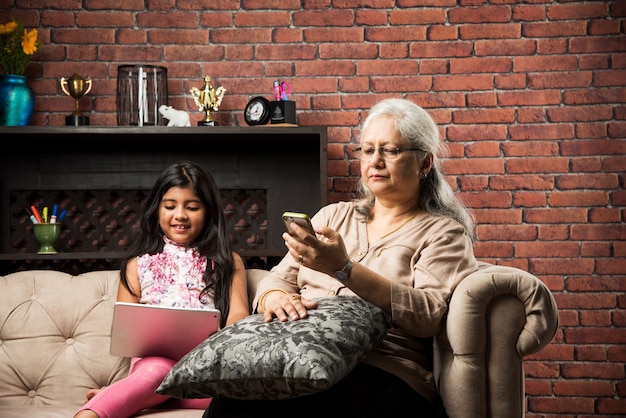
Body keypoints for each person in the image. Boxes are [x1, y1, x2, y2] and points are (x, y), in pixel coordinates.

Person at [203, 98, 478, 418]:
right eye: (367, 149)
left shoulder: (443, 233)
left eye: (390, 150)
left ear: (424, 163)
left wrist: (343, 268)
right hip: (300, 357)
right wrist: (274, 297)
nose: (375, 161)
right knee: (229, 402)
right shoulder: (333, 216)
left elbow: (429, 313)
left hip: (382, 370)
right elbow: (278, 277)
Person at [75, 161, 249, 418]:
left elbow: (239, 316)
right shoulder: (137, 265)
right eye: (170, 206)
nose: (180, 215)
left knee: (233, 393)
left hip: (204, 362)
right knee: (156, 372)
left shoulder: (228, 261)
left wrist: (217, 337)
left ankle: (131, 395)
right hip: (152, 364)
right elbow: (126, 332)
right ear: (157, 210)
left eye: (192, 207)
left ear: (209, 212)